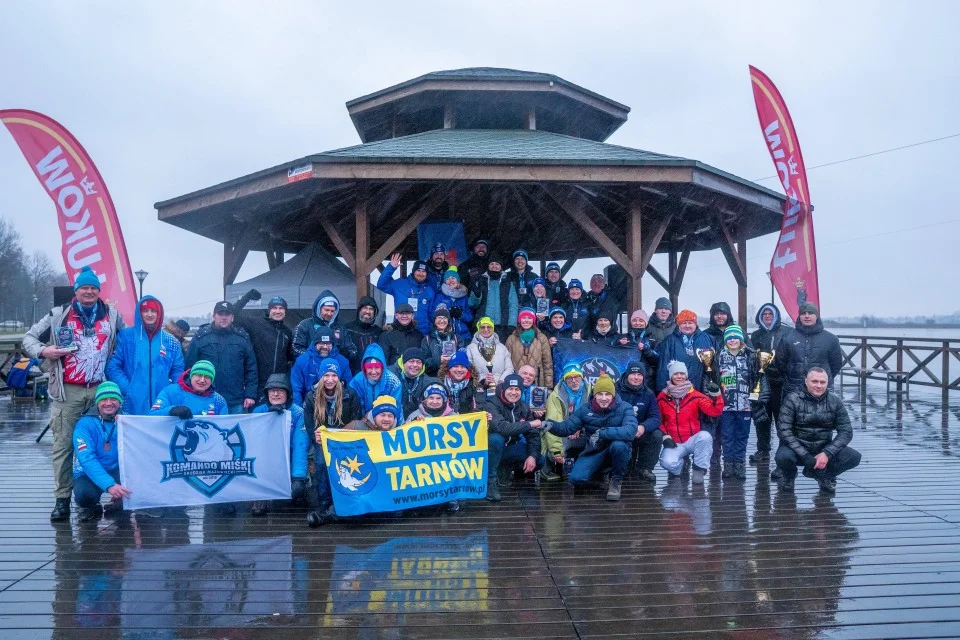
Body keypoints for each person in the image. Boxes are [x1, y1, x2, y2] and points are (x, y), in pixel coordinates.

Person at [23, 265, 126, 521]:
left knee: (113, 442)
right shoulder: (59, 315)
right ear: (76, 291)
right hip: (68, 390)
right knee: (64, 445)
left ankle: (113, 495)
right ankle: (62, 500)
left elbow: (126, 346)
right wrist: (44, 352)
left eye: (93, 288)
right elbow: (29, 339)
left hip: (101, 391)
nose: (89, 292)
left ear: (99, 291)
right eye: (84, 288)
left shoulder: (112, 316)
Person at [543, 374, 638, 501]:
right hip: (594, 451)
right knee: (576, 479)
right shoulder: (585, 409)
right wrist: (550, 425)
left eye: (607, 394)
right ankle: (598, 473)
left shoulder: (625, 407)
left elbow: (630, 431)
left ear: (613, 395)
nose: (604, 398)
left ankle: (616, 481)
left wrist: (602, 433)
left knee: (619, 445)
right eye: (600, 394)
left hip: (616, 450)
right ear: (594, 394)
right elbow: (567, 427)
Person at [774, 367, 861, 493]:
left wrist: (827, 453)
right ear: (806, 381)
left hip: (823, 449)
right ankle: (789, 476)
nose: (818, 385)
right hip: (797, 449)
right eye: (814, 381)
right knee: (782, 457)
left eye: (822, 382)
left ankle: (823, 475)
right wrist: (805, 455)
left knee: (854, 457)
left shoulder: (835, 401)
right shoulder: (792, 399)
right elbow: (783, 431)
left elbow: (846, 432)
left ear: (827, 383)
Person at [304, 359, 362, 527]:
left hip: (345, 442)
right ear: (321, 377)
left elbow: (355, 419)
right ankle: (323, 503)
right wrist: (316, 436)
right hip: (323, 441)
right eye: (326, 375)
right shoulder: (311, 397)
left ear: (339, 377)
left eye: (334, 375)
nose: (330, 379)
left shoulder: (350, 394)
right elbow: (310, 425)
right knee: (321, 464)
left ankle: (345, 500)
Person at [106, 295, 184, 414]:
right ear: (139, 313)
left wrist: (171, 392)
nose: (149, 314)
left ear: (159, 314)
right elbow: (113, 367)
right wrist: (129, 389)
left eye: (153, 311)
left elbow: (177, 370)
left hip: (162, 402)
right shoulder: (126, 336)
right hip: (132, 403)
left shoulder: (171, 341)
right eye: (145, 311)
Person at [71, 382, 132, 521]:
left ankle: (119, 502)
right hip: (88, 471)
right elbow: (87, 459)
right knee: (84, 494)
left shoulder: (128, 420)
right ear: (97, 402)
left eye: (114, 399)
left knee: (139, 483)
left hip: (118, 468)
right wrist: (109, 484)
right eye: (104, 399)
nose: (109, 403)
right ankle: (90, 506)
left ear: (120, 402)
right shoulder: (84, 424)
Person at [250, 374, 309, 516]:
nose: (275, 394)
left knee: (299, 486)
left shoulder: (299, 413)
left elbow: (300, 445)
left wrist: (298, 476)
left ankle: (299, 486)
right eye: (272, 390)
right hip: (266, 459)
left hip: (289, 457)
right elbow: (254, 442)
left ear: (287, 394)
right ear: (267, 393)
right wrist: (270, 420)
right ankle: (260, 495)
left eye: (280, 390)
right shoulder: (258, 412)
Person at [657, 361, 724, 485]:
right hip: (674, 442)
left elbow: (715, 411)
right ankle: (682, 466)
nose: (679, 376)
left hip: (692, 439)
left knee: (705, 437)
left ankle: (699, 468)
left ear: (686, 375)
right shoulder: (662, 397)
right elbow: (658, 420)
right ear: (671, 376)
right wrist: (665, 436)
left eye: (682, 374)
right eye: (676, 374)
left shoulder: (695, 395)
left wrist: (716, 395)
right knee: (666, 463)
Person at [185, 301, 258, 414]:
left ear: (232, 318)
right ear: (214, 316)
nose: (224, 318)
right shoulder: (201, 337)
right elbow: (189, 367)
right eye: (220, 314)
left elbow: (251, 369)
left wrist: (250, 394)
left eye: (227, 314)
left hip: (234, 401)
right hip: (206, 397)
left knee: (233, 431)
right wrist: (189, 392)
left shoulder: (242, 338)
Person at [484, 374, 542, 502]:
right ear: (504, 389)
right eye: (510, 389)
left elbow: (534, 435)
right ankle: (490, 482)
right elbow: (501, 428)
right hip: (489, 451)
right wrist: (529, 424)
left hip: (510, 449)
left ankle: (505, 468)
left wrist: (532, 456)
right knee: (496, 438)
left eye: (517, 389)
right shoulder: (491, 403)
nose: (514, 393)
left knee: (539, 459)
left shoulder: (524, 406)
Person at [768, 302, 843, 399]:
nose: (807, 316)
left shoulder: (831, 339)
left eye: (810, 313)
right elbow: (780, 362)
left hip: (822, 390)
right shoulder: (788, 338)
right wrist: (791, 377)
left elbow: (836, 365)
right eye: (803, 313)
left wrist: (820, 379)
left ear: (817, 316)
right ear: (799, 316)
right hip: (793, 388)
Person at [749, 303, 790, 465]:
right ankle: (763, 449)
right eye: (764, 314)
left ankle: (783, 452)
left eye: (770, 314)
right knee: (761, 418)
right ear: (760, 316)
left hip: (781, 383)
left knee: (782, 419)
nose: (767, 316)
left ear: (776, 316)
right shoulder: (756, 335)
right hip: (761, 382)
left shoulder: (786, 333)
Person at [233, 290, 294, 398]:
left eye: (281, 308)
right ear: (269, 310)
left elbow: (290, 358)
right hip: (259, 385)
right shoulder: (257, 324)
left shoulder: (288, 332)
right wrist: (245, 298)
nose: (277, 311)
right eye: (274, 308)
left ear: (285, 311)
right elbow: (233, 315)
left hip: (278, 385)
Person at [715, 325, 757, 481]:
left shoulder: (750, 355)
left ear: (741, 339)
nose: (733, 340)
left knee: (742, 435)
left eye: (736, 337)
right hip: (726, 405)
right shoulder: (719, 355)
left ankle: (739, 465)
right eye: (729, 337)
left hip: (745, 404)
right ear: (725, 339)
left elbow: (757, 378)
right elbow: (713, 377)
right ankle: (728, 465)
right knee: (727, 436)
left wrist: (757, 395)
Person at [541, 363, 592, 481]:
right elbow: (552, 423)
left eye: (577, 377)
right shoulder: (555, 396)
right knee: (554, 451)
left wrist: (579, 428)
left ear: (582, 378)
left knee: (595, 444)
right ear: (564, 379)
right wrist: (556, 450)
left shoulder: (591, 393)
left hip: (584, 433)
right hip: (564, 433)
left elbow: (594, 419)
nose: (574, 381)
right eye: (570, 378)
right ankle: (544, 470)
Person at [615, 361, 663, 483]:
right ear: (627, 375)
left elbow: (656, 417)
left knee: (657, 435)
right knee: (625, 470)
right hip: (621, 431)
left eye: (639, 375)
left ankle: (645, 467)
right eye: (633, 374)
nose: (636, 378)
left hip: (639, 431)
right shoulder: (615, 390)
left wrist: (643, 426)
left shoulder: (649, 394)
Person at [655, 309, 715, 392]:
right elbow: (663, 368)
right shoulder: (669, 341)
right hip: (677, 391)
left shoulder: (707, 338)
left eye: (690, 323)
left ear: (695, 324)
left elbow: (715, 364)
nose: (687, 326)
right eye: (684, 323)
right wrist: (663, 391)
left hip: (701, 389)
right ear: (678, 324)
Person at [292, 290, 355, 363]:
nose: (329, 313)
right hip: (310, 369)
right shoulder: (305, 325)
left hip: (334, 370)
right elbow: (295, 349)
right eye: (326, 310)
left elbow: (351, 349)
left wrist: (339, 359)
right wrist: (315, 358)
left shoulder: (340, 328)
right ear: (319, 308)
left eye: (332, 311)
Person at [290, 331, 352, 405]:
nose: (325, 347)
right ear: (315, 344)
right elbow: (295, 389)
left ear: (333, 345)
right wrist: (300, 410)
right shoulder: (302, 361)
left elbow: (348, 388)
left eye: (328, 344)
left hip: (335, 403)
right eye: (321, 343)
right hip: (309, 403)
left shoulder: (343, 362)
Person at [150, 360, 229, 417]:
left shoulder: (219, 400)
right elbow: (152, 415)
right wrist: (171, 410)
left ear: (212, 381)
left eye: (207, 377)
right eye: (198, 375)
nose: (202, 380)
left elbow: (224, 426)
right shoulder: (170, 391)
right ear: (191, 376)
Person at [377, 254, 435, 331]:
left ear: (426, 274)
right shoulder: (400, 284)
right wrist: (391, 267)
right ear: (413, 271)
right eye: (418, 270)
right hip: (400, 331)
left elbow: (431, 314)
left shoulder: (429, 291)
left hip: (422, 333)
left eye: (423, 271)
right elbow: (381, 285)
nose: (421, 274)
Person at [468, 255, 518, 342]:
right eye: (492, 264)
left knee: (500, 353)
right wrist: (476, 295)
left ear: (501, 267)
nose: (494, 266)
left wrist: (512, 324)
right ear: (488, 266)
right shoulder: (480, 281)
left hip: (502, 325)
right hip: (483, 325)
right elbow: (472, 304)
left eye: (497, 264)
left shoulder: (508, 283)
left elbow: (513, 305)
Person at [348, 343, 403, 415]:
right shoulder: (356, 382)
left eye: (377, 367)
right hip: (364, 421)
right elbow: (355, 408)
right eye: (369, 368)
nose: (373, 372)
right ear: (364, 368)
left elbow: (397, 409)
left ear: (382, 367)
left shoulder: (393, 382)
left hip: (387, 420)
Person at [506, 308, 554, 389]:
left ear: (534, 320)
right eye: (523, 318)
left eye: (529, 318)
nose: (526, 320)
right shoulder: (511, 339)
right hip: (516, 383)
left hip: (537, 382)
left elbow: (547, 364)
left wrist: (548, 386)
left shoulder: (541, 338)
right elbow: (507, 363)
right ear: (519, 320)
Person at [466, 317, 514, 395]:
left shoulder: (502, 348)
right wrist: (484, 381)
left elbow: (509, 368)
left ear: (493, 328)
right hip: (479, 388)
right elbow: (469, 369)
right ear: (478, 329)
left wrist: (501, 381)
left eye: (489, 327)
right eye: (482, 327)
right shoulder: (470, 348)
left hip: (499, 388)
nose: (486, 329)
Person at [389, 347, 437, 418]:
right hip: (393, 419)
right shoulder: (390, 375)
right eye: (411, 361)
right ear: (403, 363)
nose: (415, 365)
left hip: (416, 421)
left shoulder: (427, 381)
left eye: (418, 362)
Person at [616, 310, 659, 386]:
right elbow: (615, 356)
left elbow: (657, 360)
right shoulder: (624, 337)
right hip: (627, 379)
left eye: (641, 321)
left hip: (647, 380)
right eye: (634, 320)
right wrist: (619, 344)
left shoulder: (653, 339)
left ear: (646, 323)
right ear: (631, 322)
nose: (637, 323)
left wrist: (647, 350)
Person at [430, 266, 473, 341]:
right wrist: (445, 313)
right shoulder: (440, 296)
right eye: (447, 279)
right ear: (445, 282)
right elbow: (432, 315)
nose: (450, 281)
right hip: (444, 337)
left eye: (453, 278)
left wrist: (461, 315)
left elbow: (470, 317)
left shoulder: (464, 297)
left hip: (463, 336)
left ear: (458, 281)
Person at [343, 295, 383, 375]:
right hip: (352, 375)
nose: (368, 311)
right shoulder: (347, 329)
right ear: (359, 310)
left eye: (371, 309)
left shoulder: (379, 332)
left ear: (375, 313)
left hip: (373, 374)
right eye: (365, 308)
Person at [377, 303, 424, 367]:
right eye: (401, 313)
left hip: (413, 373)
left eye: (408, 313)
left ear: (412, 316)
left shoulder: (419, 335)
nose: (404, 316)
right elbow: (383, 360)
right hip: (393, 373)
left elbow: (422, 358)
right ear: (396, 315)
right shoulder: (386, 335)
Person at [421, 307, 460, 377]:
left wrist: (453, 360)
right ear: (434, 321)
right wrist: (439, 360)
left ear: (448, 321)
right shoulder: (427, 339)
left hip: (453, 377)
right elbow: (423, 363)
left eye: (444, 318)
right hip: (433, 377)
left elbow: (462, 359)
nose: (442, 321)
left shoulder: (456, 338)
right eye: (439, 318)